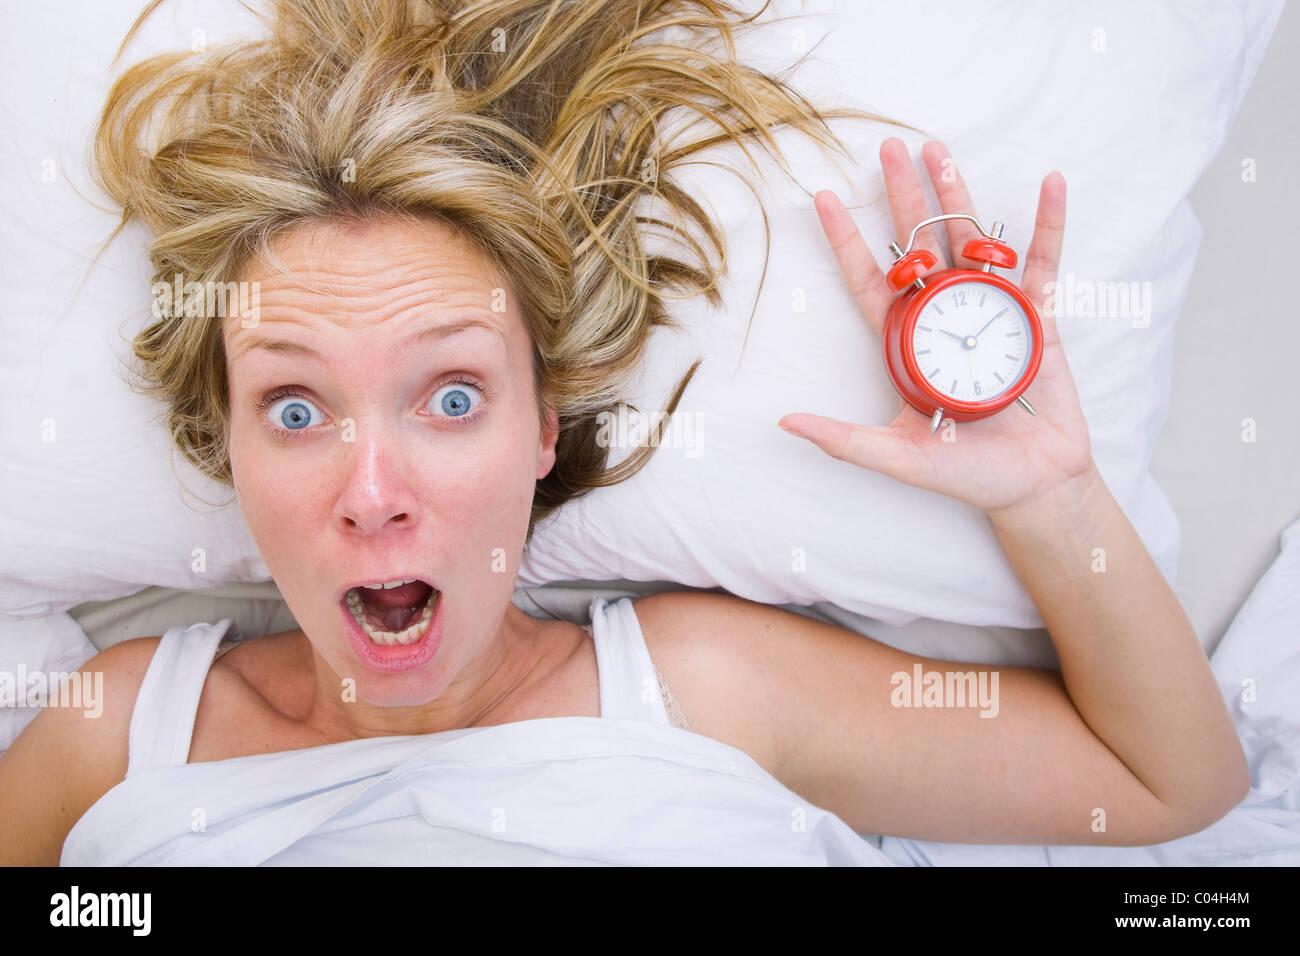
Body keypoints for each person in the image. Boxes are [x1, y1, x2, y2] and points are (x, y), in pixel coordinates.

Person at [0, 0, 1248, 865]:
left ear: (545, 428)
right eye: (293, 407)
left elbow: (1168, 784)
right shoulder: (116, 736)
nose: (370, 490)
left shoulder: (700, 689)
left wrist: (1045, 493)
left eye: (448, 397)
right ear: (228, 446)